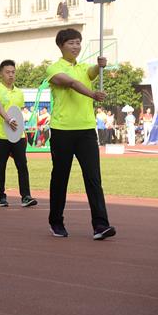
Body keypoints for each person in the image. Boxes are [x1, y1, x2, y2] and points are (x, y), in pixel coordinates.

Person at [46, 28, 115, 240]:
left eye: (78, 43)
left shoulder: (84, 67)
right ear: (61, 45)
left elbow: (92, 72)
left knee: (93, 178)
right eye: (71, 43)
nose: (76, 47)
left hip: (86, 130)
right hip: (62, 130)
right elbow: (72, 83)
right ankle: (56, 222)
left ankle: (100, 225)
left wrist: (100, 64)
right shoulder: (53, 68)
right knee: (60, 177)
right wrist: (93, 94)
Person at [0, 60, 37, 209]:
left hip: (18, 136)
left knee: (22, 165)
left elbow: (18, 111)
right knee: (1, 165)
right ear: (1, 74)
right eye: (7, 72)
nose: (11, 75)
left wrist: (18, 125)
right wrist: (8, 119)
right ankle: (1, 196)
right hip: (1, 135)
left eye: (13, 72)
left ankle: (26, 196)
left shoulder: (19, 92)